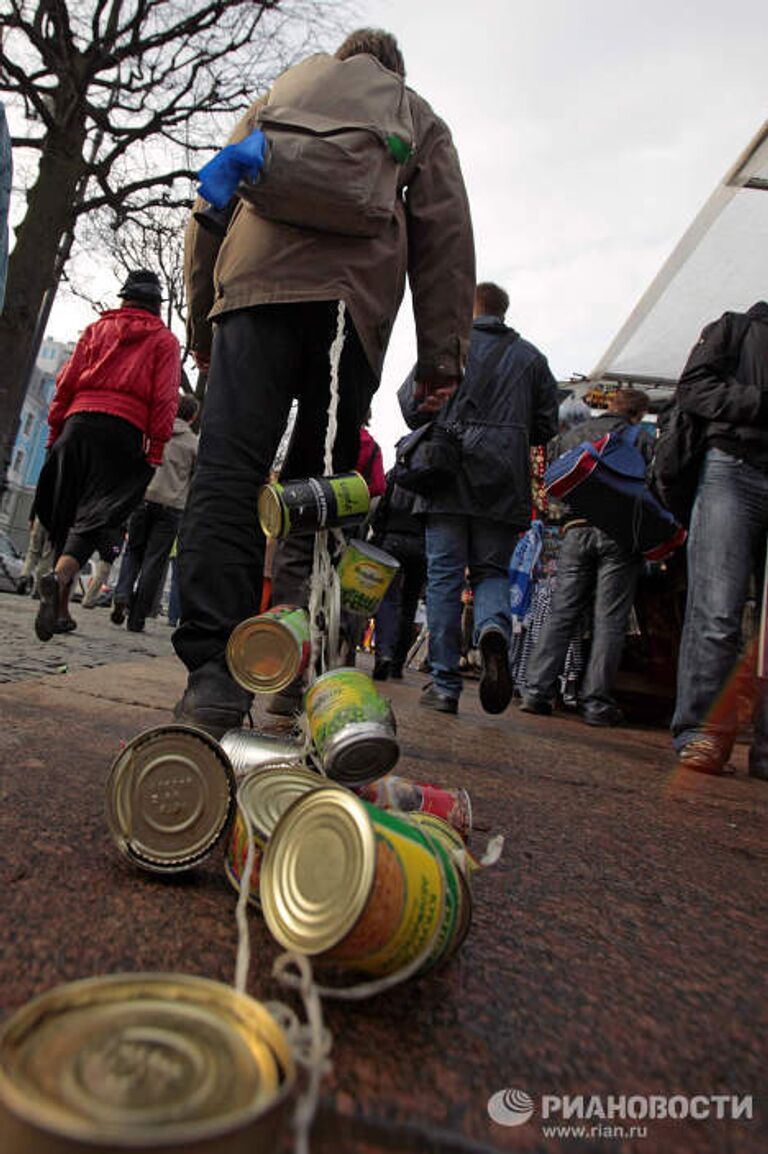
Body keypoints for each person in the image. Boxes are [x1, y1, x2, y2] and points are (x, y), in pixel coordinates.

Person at [173, 28, 475, 736]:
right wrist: (440, 358)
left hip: (250, 294)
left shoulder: (277, 98)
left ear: (339, 61)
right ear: (392, 69)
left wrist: (202, 331)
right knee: (321, 489)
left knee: (228, 473)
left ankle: (214, 678)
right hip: (352, 310)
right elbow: (446, 235)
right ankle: (296, 666)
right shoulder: (415, 114)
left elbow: (210, 208)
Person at [398, 281, 559, 716]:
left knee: (445, 578)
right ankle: (493, 631)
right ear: (503, 311)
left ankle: (446, 684)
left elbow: (412, 407)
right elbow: (546, 426)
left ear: (470, 307)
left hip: (447, 474)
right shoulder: (532, 358)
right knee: (491, 572)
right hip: (504, 479)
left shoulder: (449, 348)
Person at [32, 270, 180, 641]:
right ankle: (61, 576)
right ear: (157, 305)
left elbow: (64, 382)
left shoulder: (95, 330)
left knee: (67, 515)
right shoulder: (163, 341)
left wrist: (55, 431)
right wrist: (155, 449)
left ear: (124, 298)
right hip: (122, 433)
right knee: (99, 518)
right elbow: (164, 399)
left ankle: (61, 609)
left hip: (76, 424)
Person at [671, 303, 768, 777]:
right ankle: (703, 731)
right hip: (733, 466)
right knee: (718, 609)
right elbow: (693, 390)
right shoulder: (737, 327)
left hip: (740, 471)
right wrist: (759, 401)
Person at [520, 387, 652, 726]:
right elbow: (653, 483)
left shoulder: (575, 434)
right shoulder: (640, 437)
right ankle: (595, 702)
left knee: (563, 610)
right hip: (620, 533)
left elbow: (552, 481)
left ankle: (536, 690)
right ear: (637, 414)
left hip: (575, 528)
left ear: (609, 406)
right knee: (609, 618)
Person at [111, 393, 199, 632]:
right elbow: (195, 480)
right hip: (172, 507)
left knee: (133, 552)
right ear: (193, 416)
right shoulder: (194, 444)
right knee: (155, 560)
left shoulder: (155, 430)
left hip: (144, 498)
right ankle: (137, 618)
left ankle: (122, 593)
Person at [371, 469, 426, 681]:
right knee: (409, 604)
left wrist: (378, 534)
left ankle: (384, 652)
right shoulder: (431, 476)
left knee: (388, 599)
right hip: (421, 544)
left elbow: (381, 507)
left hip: (392, 540)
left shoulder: (397, 473)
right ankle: (397, 663)